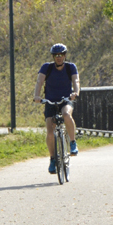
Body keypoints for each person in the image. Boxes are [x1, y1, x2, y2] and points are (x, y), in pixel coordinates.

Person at [33, 43, 81, 174]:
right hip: (50, 101)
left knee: (66, 114)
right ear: (53, 57)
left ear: (65, 56)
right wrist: (36, 96)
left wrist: (75, 93)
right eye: (56, 56)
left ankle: (72, 143)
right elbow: (39, 82)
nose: (59, 57)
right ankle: (53, 159)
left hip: (66, 99)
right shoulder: (46, 67)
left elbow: (76, 81)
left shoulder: (70, 67)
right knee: (50, 130)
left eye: (61, 55)